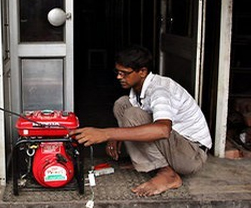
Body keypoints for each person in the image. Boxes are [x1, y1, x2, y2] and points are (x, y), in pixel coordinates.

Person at [72, 45, 212, 197]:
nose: (119, 77)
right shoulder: (137, 90)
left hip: (192, 155)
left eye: (124, 73)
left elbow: (163, 130)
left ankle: (168, 174)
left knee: (133, 114)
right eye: (117, 72)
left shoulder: (159, 90)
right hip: (178, 147)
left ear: (142, 72)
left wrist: (108, 134)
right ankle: (148, 163)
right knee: (122, 104)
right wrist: (116, 135)